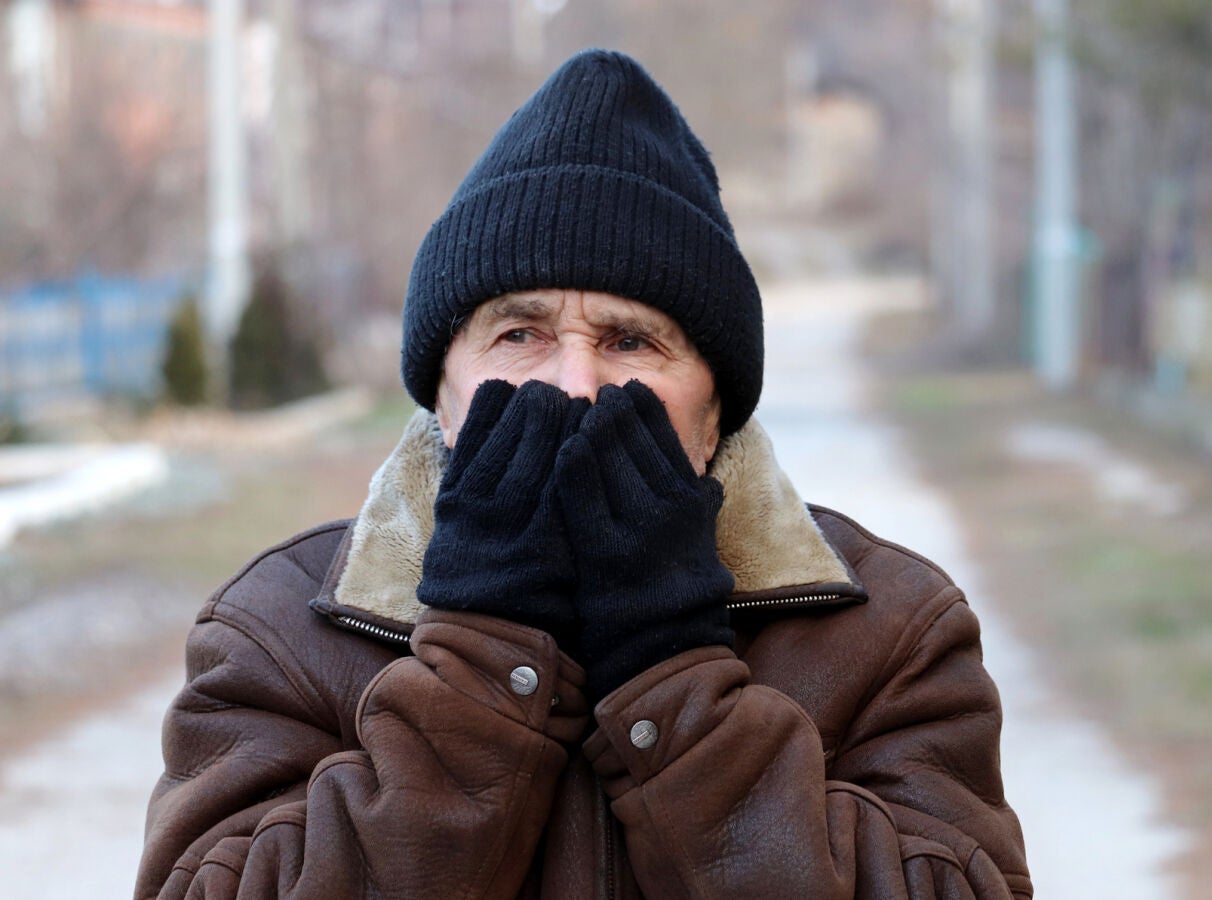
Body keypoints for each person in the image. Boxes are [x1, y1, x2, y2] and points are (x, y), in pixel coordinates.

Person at [136, 48, 1031, 899]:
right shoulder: (280, 633)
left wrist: (672, 673)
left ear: (714, 409)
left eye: (630, 341)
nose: (574, 385)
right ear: (441, 394)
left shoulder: (891, 634)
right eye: (519, 334)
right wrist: (483, 661)